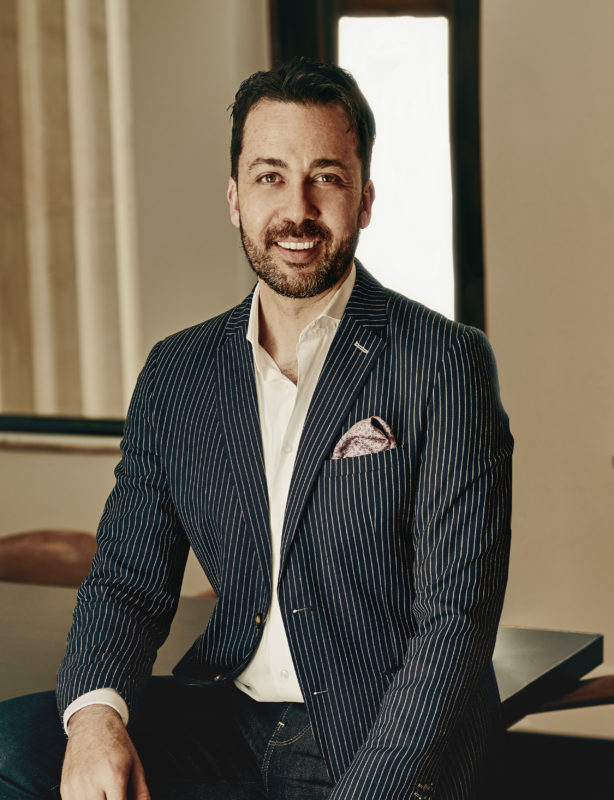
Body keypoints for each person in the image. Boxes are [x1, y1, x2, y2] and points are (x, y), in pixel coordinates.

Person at [0, 57, 512, 800]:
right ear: (235, 198)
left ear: (364, 199)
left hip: (371, 733)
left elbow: (454, 625)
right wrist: (94, 722)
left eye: (326, 177)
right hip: (227, 716)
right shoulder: (177, 371)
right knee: (16, 749)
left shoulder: (444, 362)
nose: (297, 208)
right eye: (270, 176)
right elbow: (127, 582)